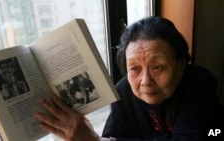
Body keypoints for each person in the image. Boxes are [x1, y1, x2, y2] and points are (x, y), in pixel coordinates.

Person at [35, 16, 224, 141]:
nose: (145, 81)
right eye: (134, 68)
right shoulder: (123, 91)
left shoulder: (199, 86)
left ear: (182, 64)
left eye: (157, 67)